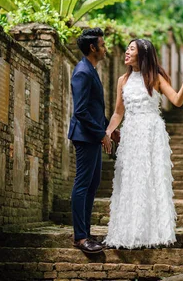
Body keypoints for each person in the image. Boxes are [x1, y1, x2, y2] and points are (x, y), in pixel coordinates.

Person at [103, 39, 183, 249]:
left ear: (142, 54)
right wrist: (108, 130)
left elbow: (177, 100)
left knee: (151, 180)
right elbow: (118, 112)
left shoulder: (156, 78)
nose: (126, 52)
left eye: (131, 49)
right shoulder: (122, 80)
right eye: (128, 48)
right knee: (131, 181)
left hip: (152, 134)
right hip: (131, 135)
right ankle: (130, 233)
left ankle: (154, 232)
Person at [68, 28, 114, 253]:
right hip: (85, 136)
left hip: (93, 134)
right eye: (102, 45)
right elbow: (81, 111)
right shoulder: (82, 72)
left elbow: (95, 109)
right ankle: (80, 237)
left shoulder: (91, 70)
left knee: (92, 184)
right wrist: (101, 134)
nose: (105, 49)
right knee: (83, 184)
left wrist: (109, 129)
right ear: (93, 48)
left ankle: (86, 232)